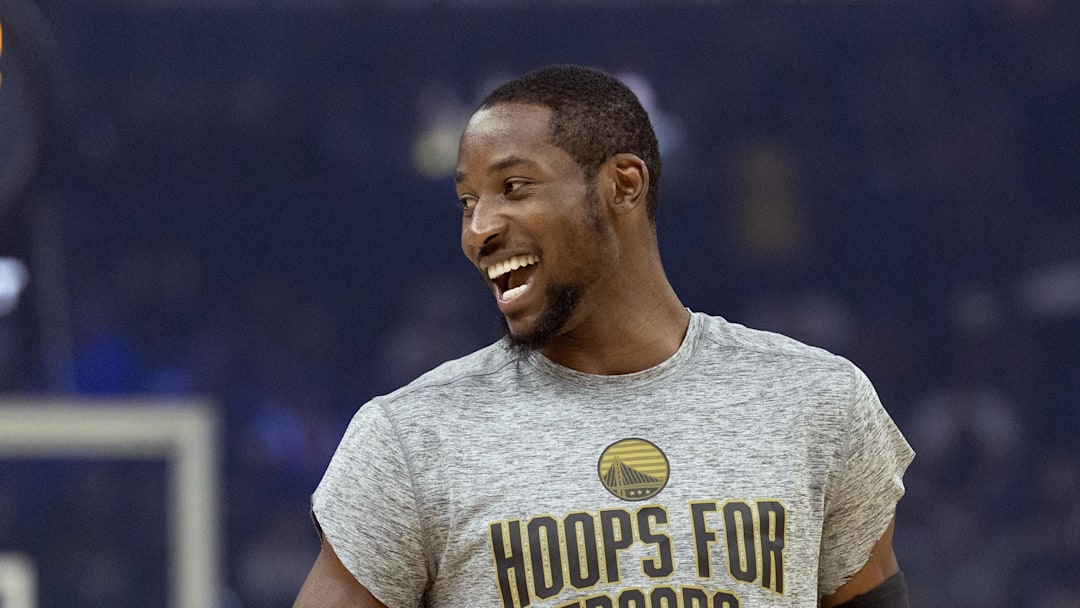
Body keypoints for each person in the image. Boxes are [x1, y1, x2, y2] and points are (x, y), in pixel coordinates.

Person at [294, 65, 914, 608]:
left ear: (623, 185)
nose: (477, 230)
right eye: (466, 202)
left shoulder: (817, 401)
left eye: (514, 187)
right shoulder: (411, 438)